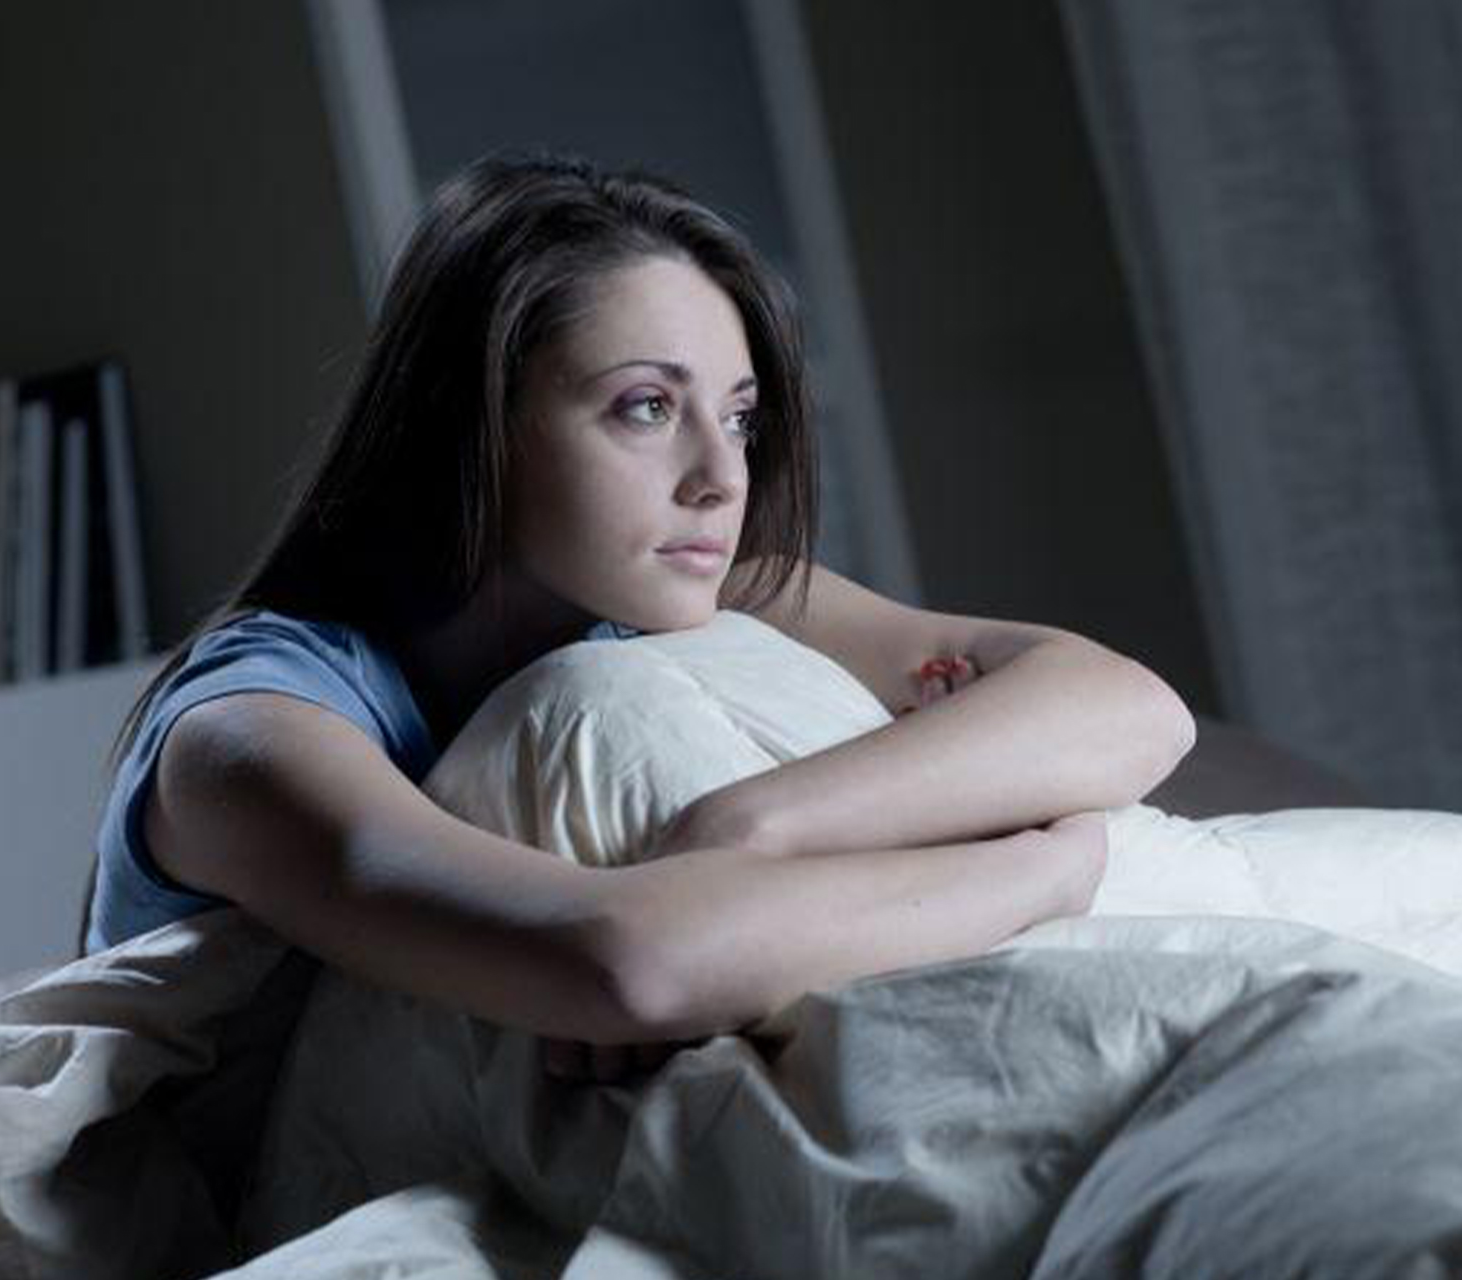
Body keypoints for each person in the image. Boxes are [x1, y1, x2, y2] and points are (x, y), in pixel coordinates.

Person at [81, 149, 1196, 1080]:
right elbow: (627, 965)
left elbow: (1133, 709)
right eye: (647, 407)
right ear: (471, 426)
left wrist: (749, 827)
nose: (722, 475)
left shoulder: (705, 599)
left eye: (742, 418)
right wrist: (1048, 868)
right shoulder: (247, 739)